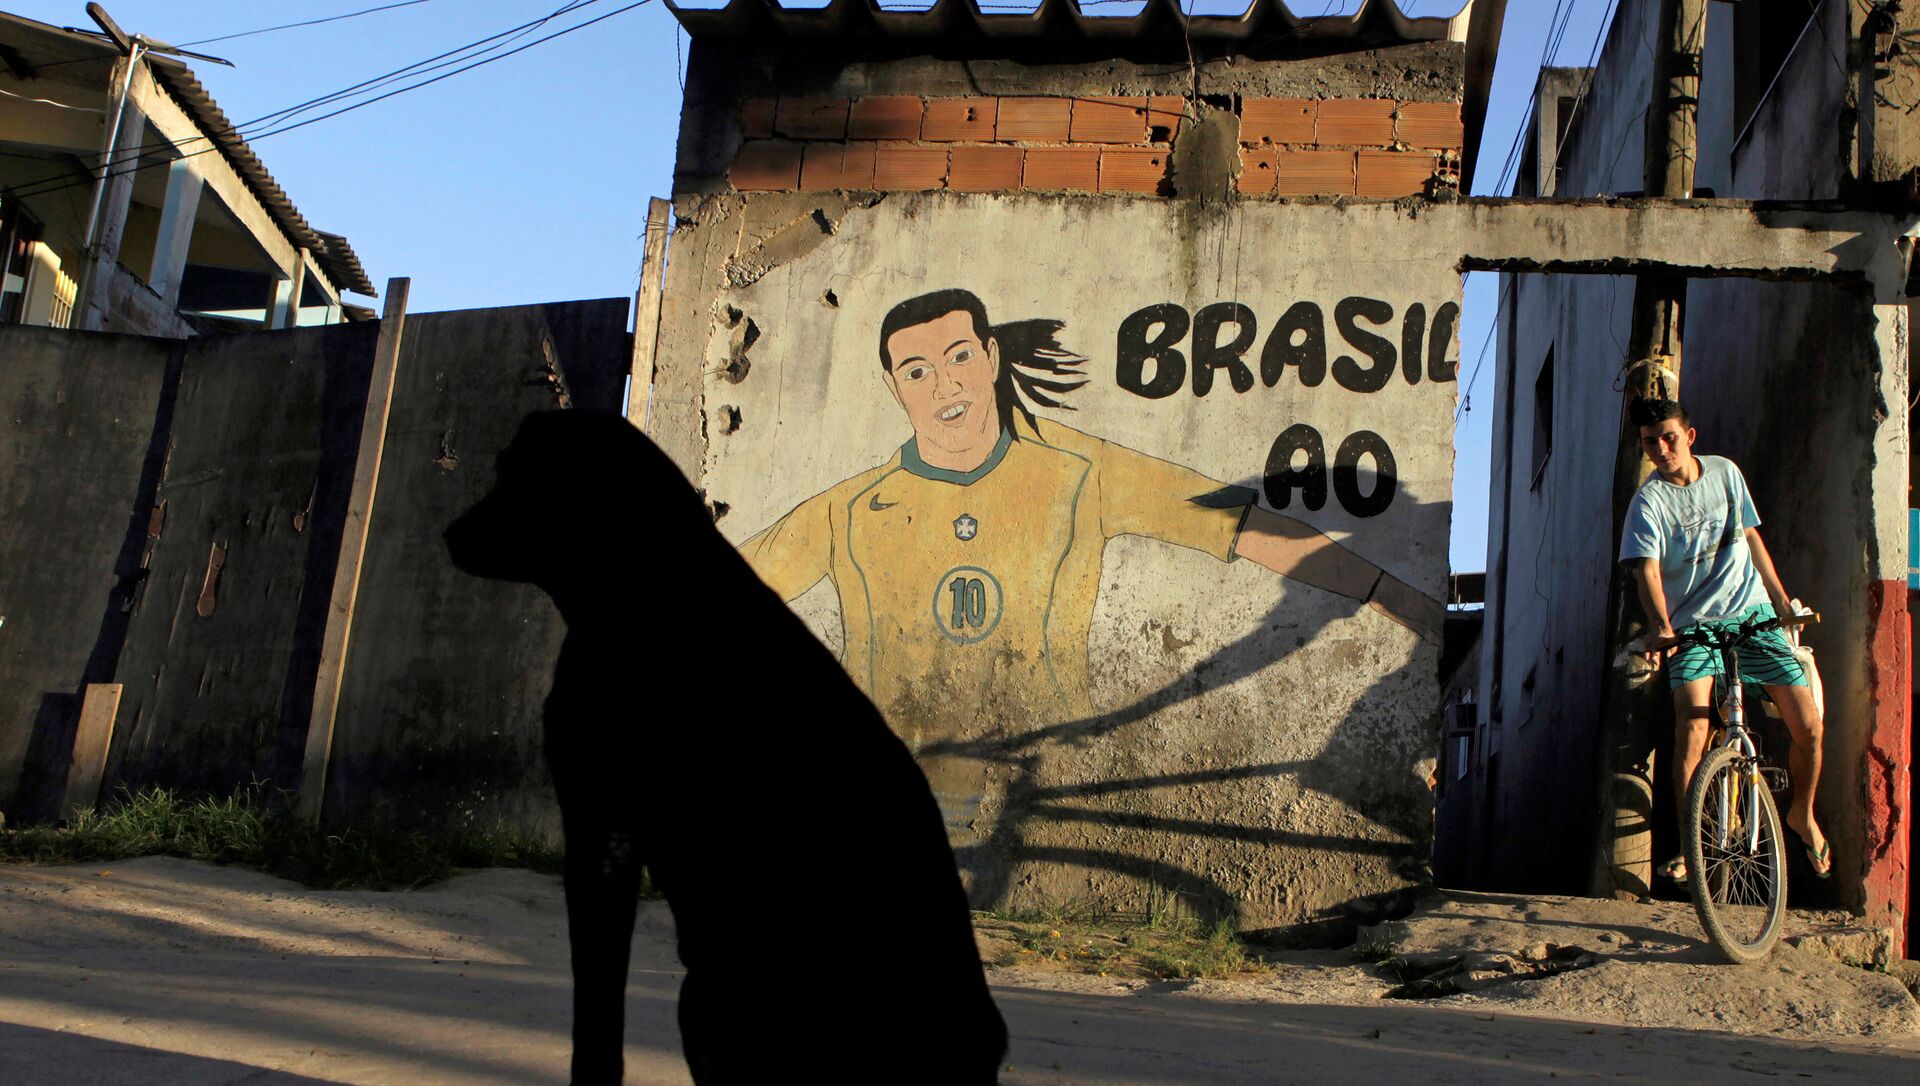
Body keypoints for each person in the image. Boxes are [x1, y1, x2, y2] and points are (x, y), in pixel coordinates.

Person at [738, 289, 1439, 773]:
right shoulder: (848, 510)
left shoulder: (1082, 471)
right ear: (895, 387)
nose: (944, 385)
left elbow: (1249, 528)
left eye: (958, 357)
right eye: (917, 371)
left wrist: (1407, 603)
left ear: (990, 357)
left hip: (1042, 771)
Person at [1620, 398, 1828, 880]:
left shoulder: (1725, 473)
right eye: (1650, 443)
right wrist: (1661, 626)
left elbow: (1750, 538)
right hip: (1694, 627)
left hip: (1751, 613)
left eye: (1669, 438)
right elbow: (1647, 571)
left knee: (1810, 727)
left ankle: (1802, 814)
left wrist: (1781, 600)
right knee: (1691, 728)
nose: (1661, 449)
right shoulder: (1648, 503)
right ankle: (1691, 845)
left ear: (1689, 437)